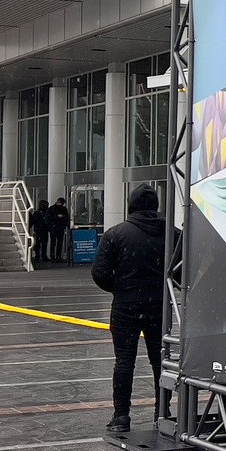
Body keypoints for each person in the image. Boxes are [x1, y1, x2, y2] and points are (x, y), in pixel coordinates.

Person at [92, 186, 165, 434]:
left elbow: (99, 273)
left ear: (129, 205)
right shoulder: (171, 233)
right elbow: (183, 268)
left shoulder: (116, 234)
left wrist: (120, 289)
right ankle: (162, 414)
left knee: (124, 362)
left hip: (125, 305)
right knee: (160, 362)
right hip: (159, 304)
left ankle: (121, 416)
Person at [47, 197, 70, 262]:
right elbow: (48, 218)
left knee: (59, 242)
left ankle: (57, 256)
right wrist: (57, 217)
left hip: (59, 227)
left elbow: (66, 218)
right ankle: (53, 256)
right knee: (54, 242)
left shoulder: (62, 209)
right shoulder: (52, 209)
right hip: (55, 227)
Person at [27, 202, 47, 266]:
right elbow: (33, 221)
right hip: (38, 230)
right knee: (38, 245)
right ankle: (37, 257)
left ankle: (44, 256)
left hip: (44, 230)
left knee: (44, 244)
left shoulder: (46, 212)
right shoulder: (37, 213)